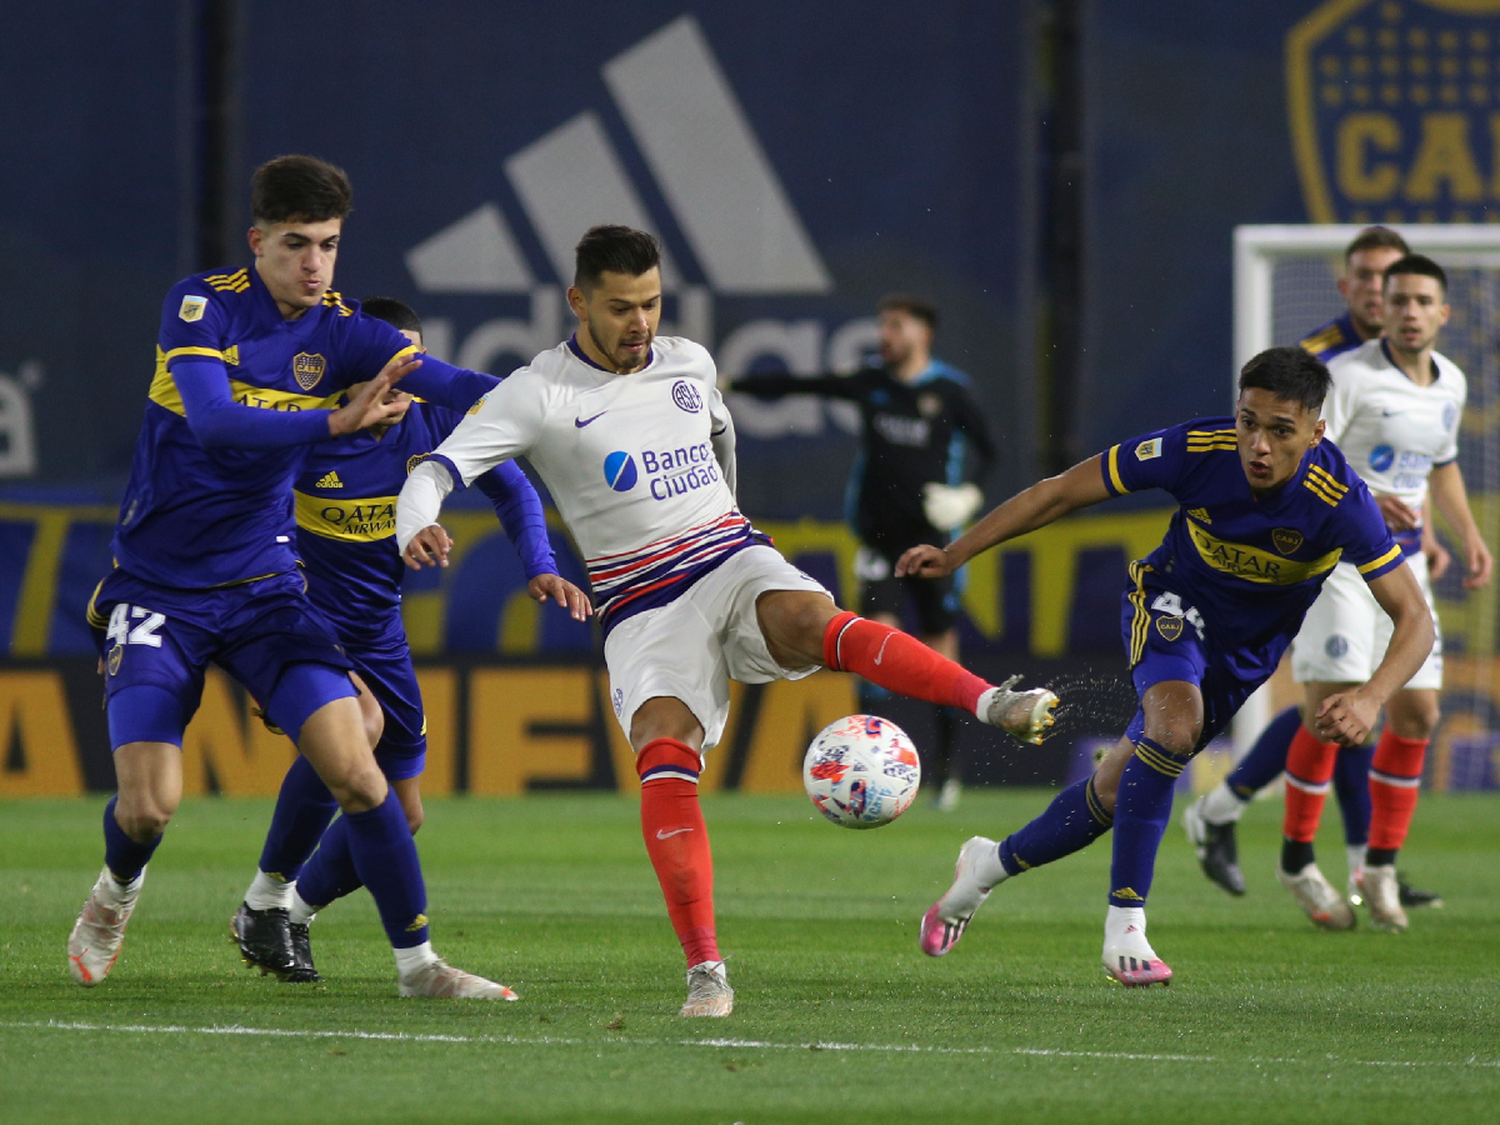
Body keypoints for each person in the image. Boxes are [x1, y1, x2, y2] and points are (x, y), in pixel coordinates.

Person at [394, 225, 1058, 1016]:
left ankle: (995, 703)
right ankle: (706, 971)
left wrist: (737, 524)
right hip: (641, 603)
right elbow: (436, 469)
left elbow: (719, 436)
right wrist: (413, 525)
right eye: (619, 307)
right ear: (577, 302)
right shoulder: (537, 394)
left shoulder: (688, 361)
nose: (640, 321)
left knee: (813, 614)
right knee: (664, 750)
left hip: (727, 554)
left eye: (651, 302)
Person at [69, 154, 522, 999]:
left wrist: (568, 402)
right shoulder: (200, 305)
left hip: (264, 589)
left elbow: (458, 385)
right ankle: (115, 890)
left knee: (358, 753)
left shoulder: (344, 327)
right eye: (297, 244)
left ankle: (418, 966)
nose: (315, 265)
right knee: (149, 807)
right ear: (258, 242)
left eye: (330, 245)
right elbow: (213, 422)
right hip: (159, 588)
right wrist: (334, 418)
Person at [903, 346, 1435, 986]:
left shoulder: (1341, 499)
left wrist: (1374, 696)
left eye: (1280, 431)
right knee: (1174, 727)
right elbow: (1059, 493)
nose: (1257, 445)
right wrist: (957, 553)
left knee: (1111, 792)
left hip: (1242, 658)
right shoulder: (1198, 449)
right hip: (1169, 602)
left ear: (1317, 433)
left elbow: (1416, 619)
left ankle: (985, 867)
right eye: (1247, 422)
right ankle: (1126, 924)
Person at [230, 297, 592, 983]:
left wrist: (541, 566)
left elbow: (514, 491)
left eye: (416, 366)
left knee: (405, 811)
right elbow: (251, 525)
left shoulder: (435, 420)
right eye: (386, 364)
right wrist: (265, 646)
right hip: (306, 622)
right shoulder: (309, 427)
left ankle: (289, 911)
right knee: (353, 733)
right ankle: (271, 897)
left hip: (379, 630)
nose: (402, 380)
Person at [1191, 257, 1489, 933]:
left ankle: (1379, 867)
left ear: (1444, 313)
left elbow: (1438, 464)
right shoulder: (1350, 375)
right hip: (1339, 565)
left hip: (1402, 565)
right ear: (1379, 306)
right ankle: (1298, 855)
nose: (1409, 311)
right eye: (1399, 299)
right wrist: (1366, 499)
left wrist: (1463, 533)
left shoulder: (1453, 384)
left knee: (1417, 713)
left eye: (1423, 301)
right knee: (1333, 704)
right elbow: (1315, 455)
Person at [729, 296, 995, 810]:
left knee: (942, 647)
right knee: (876, 642)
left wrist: (969, 495)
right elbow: (804, 384)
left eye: (896, 326)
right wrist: (731, 386)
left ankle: (947, 771)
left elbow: (990, 450)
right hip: (880, 542)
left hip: (936, 544)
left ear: (924, 333)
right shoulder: (871, 382)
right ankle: (872, 762)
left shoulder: (950, 392)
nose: (885, 335)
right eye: (883, 325)